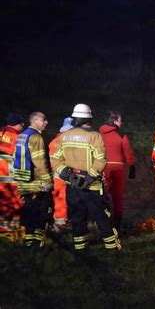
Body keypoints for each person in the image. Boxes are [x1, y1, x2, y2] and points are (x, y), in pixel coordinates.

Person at [51, 104, 121, 251]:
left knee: (77, 217)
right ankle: (112, 248)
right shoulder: (94, 136)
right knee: (101, 216)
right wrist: (89, 178)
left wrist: (68, 175)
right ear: (89, 118)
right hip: (92, 187)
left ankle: (80, 248)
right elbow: (101, 160)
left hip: (72, 185)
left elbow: (55, 159)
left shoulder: (64, 136)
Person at [14, 112, 53, 248]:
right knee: (42, 210)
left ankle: (29, 240)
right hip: (37, 182)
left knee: (28, 211)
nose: (46, 122)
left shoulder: (22, 135)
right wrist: (48, 180)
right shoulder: (36, 137)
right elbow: (39, 161)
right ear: (34, 121)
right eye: (44, 120)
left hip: (23, 181)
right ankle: (38, 242)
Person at [99, 111, 136, 228]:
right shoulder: (121, 134)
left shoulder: (99, 134)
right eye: (120, 120)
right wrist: (132, 166)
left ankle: (103, 222)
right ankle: (117, 224)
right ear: (115, 121)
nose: (122, 123)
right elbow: (128, 152)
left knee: (103, 195)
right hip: (118, 168)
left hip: (103, 167)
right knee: (117, 197)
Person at [0, 113, 25, 241]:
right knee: (15, 200)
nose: (23, 125)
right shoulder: (18, 137)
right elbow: (22, 156)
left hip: (1, 174)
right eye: (22, 123)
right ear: (17, 124)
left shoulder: (1, 131)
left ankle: (2, 225)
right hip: (10, 173)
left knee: (2, 200)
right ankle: (14, 226)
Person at [48, 117, 74, 230]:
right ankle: (62, 223)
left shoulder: (53, 142)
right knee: (68, 199)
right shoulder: (71, 141)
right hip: (70, 174)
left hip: (57, 175)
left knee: (59, 199)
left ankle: (60, 221)